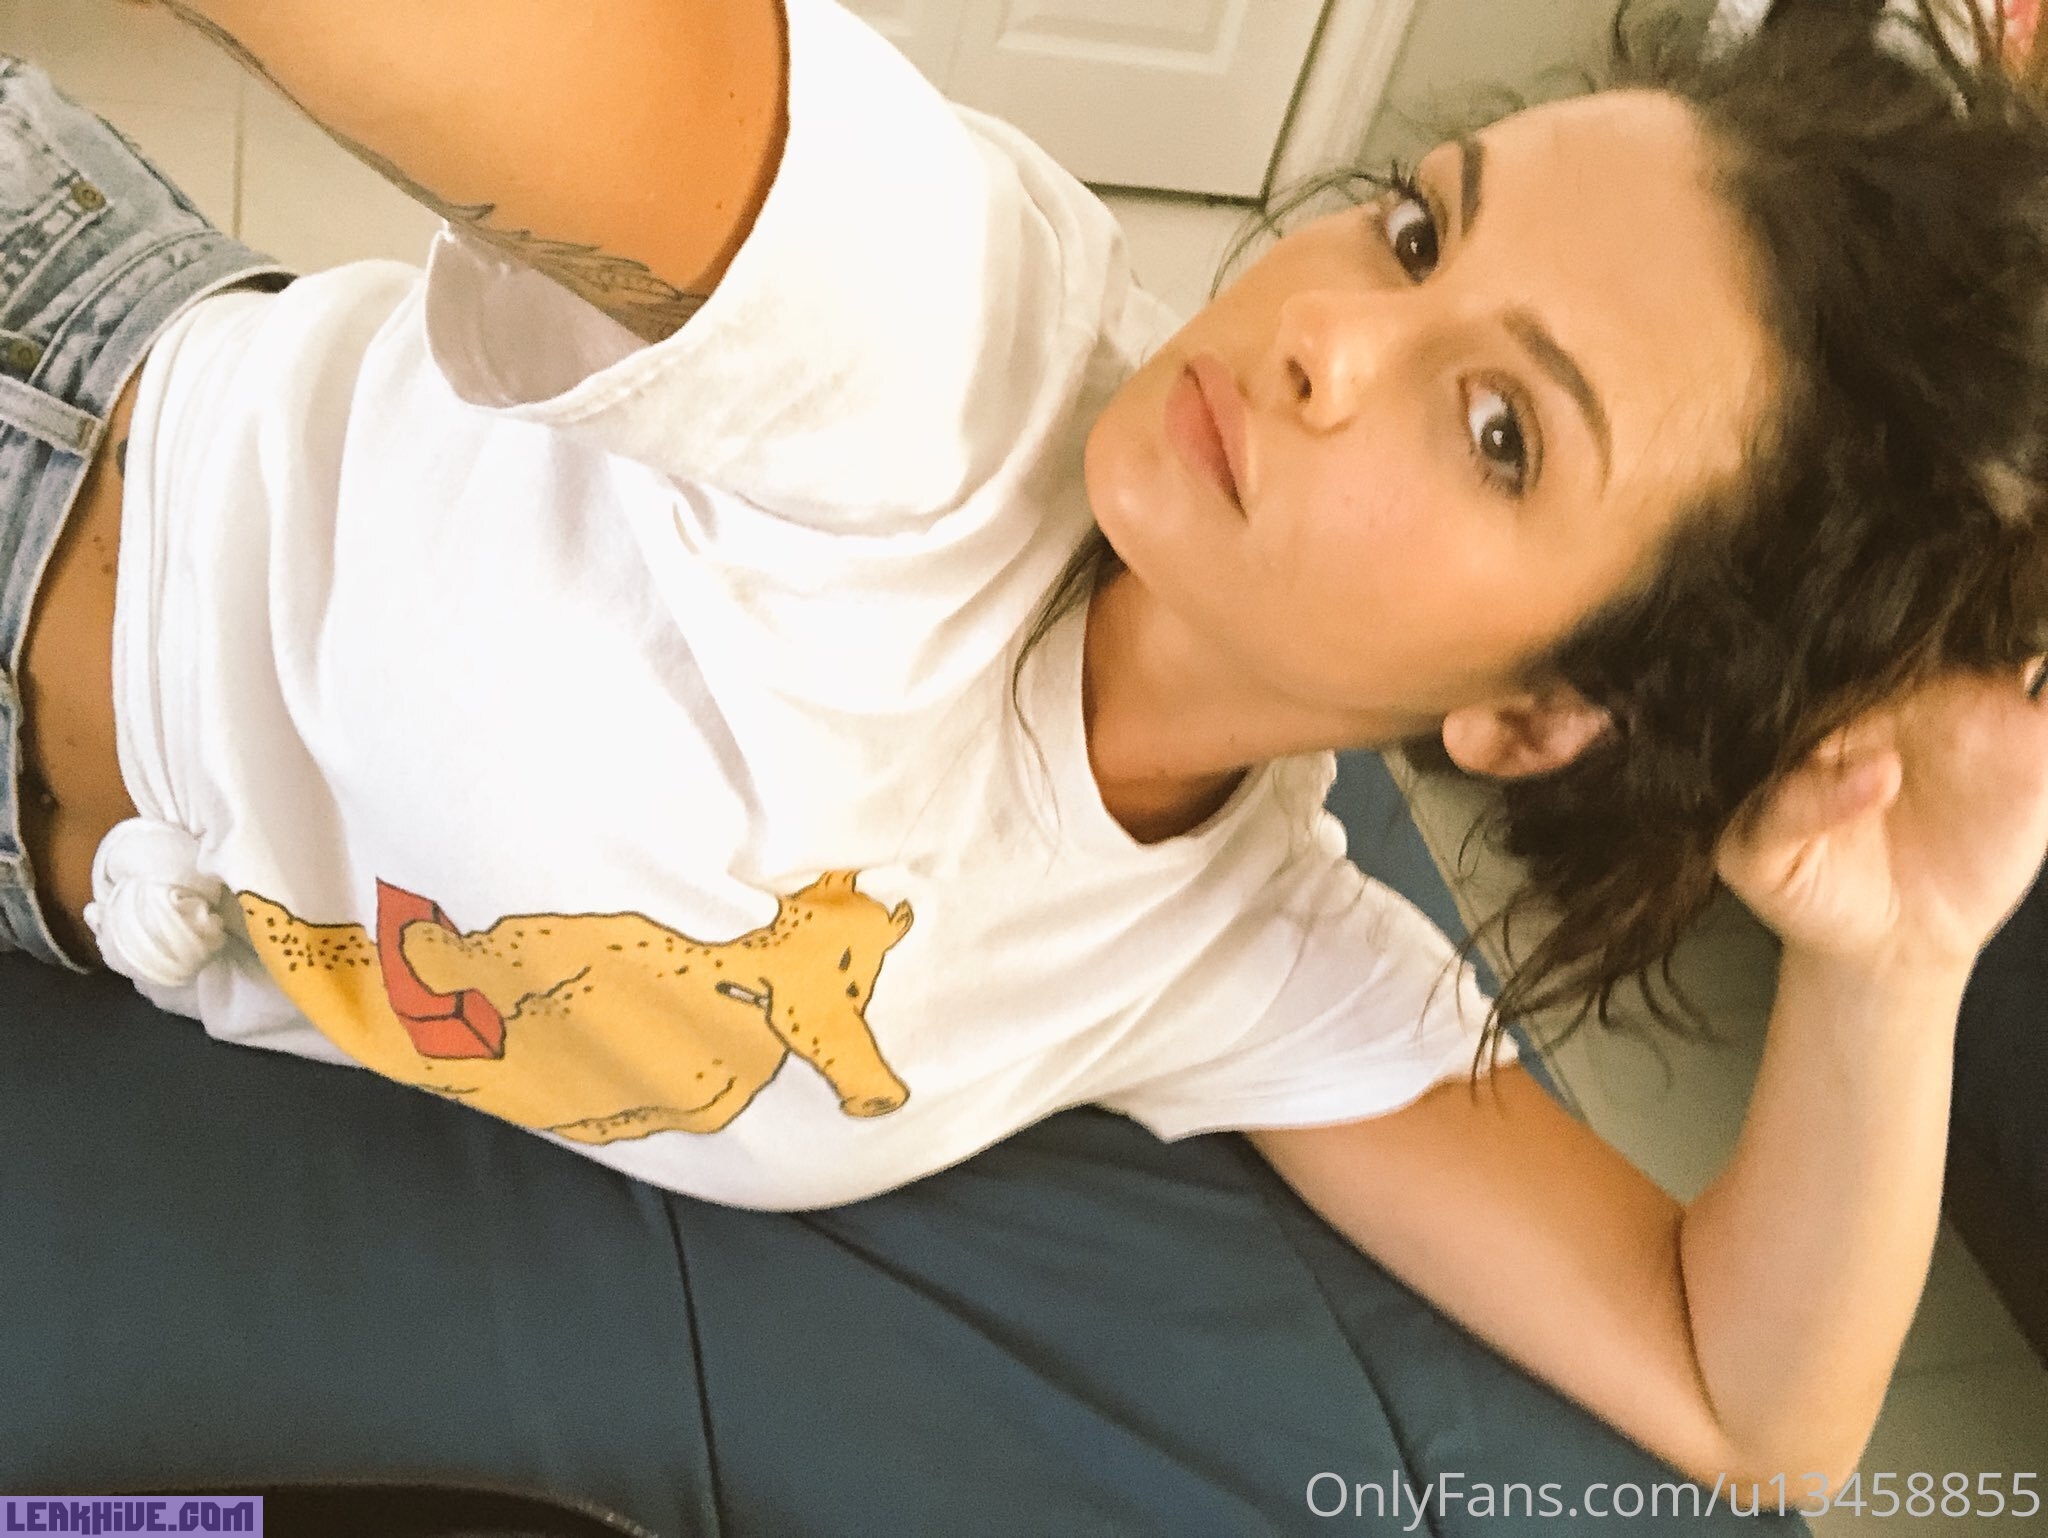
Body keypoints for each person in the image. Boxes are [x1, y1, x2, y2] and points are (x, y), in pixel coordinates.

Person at [6, 0, 2047, 1503]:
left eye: (1499, 428)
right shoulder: (948, 333)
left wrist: (1901, 956)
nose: (1327, 331)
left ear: (1528, 717)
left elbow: (1754, 1401)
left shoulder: (1234, 955)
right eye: (1421, 233)